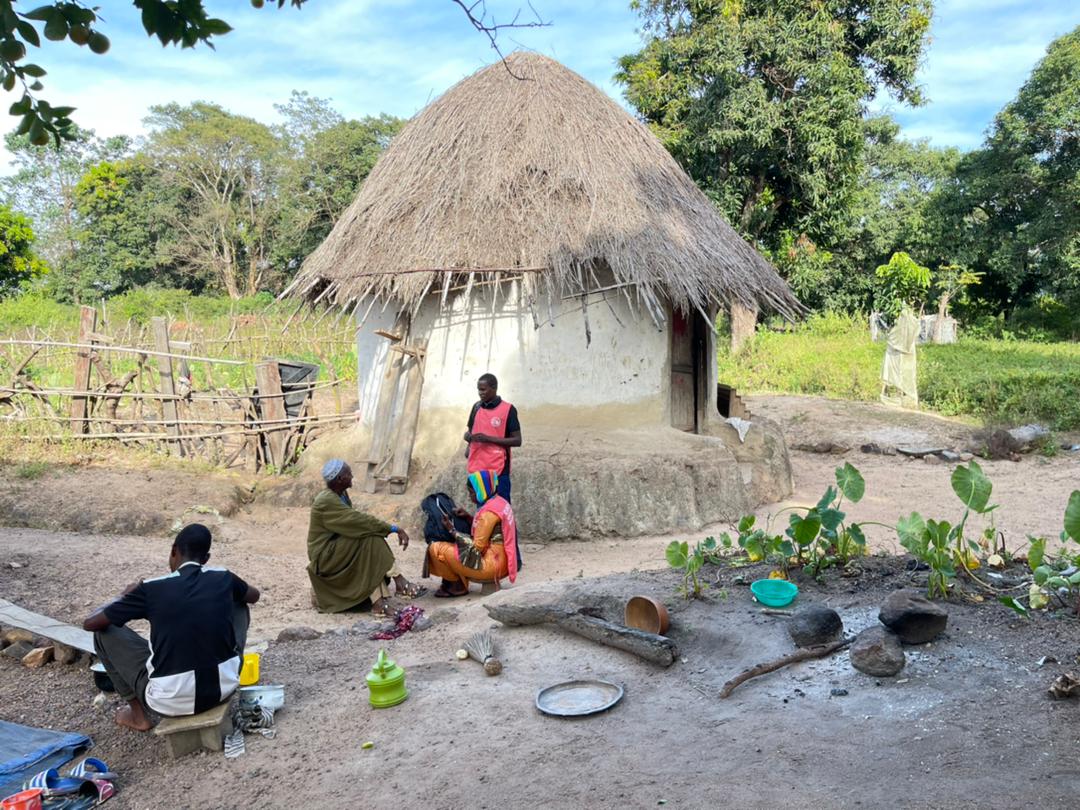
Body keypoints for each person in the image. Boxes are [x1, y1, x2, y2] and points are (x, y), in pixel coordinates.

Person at [82, 524, 259, 732]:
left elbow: (90, 623)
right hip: (224, 690)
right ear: (206, 559)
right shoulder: (223, 576)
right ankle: (224, 667)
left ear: (173, 550)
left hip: (169, 703)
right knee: (240, 602)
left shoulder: (150, 588)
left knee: (104, 633)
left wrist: (123, 595)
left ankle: (139, 716)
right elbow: (254, 595)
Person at [307, 459, 425, 616]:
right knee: (369, 537)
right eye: (348, 473)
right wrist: (393, 528)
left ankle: (383, 598)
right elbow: (358, 520)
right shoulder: (326, 500)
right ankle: (398, 584)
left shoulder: (341, 495)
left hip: (337, 548)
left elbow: (355, 525)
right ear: (340, 479)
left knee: (369, 538)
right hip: (324, 557)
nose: (352, 476)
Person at [426, 470, 519, 597]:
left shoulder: (487, 514)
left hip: (492, 566)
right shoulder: (500, 503)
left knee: (436, 548)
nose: (470, 496)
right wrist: (469, 517)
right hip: (502, 560)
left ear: (482, 490)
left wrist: (451, 530)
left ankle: (456, 586)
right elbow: (491, 532)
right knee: (454, 546)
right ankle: (458, 583)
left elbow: (476, 549)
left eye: (472, 492)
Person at [464, 373, 521, 502]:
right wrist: (468, 440)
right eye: (479, 389)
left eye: (483, 389)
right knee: (482, 508)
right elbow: (471, 431)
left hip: (498, 471)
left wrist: (488, 439)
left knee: (499, 508)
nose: (480, 393)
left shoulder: (508, 410)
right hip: (478, 469)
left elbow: (517, 440)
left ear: (494, 388)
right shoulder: (476, 407)